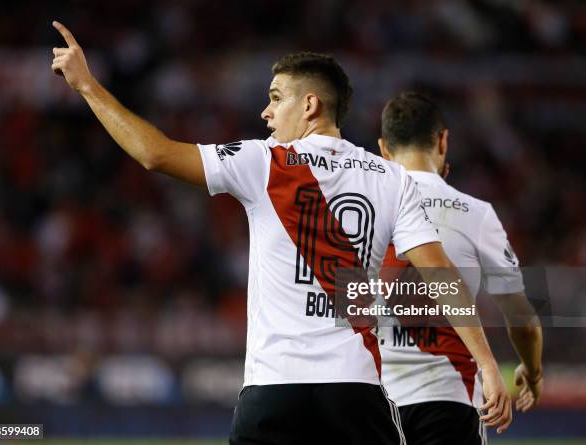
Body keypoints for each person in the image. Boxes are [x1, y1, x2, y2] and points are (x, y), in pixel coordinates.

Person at [50, 21, 511, 444]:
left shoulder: (262, 161)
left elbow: (155, 154)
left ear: (309, 105)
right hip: (354, 391)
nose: (265, 112)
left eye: (275, 97)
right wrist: (488, 366)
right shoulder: (393, 179)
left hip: (273, 389)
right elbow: (441, 277)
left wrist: (87, 87)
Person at [377, 92, 543, 445]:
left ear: (383, 149)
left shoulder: (359, 214)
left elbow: (347, 310)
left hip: (370, 404)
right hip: (448, 400)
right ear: (443, 140)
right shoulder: (474, 212)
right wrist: (532, 368)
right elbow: (521, 319)